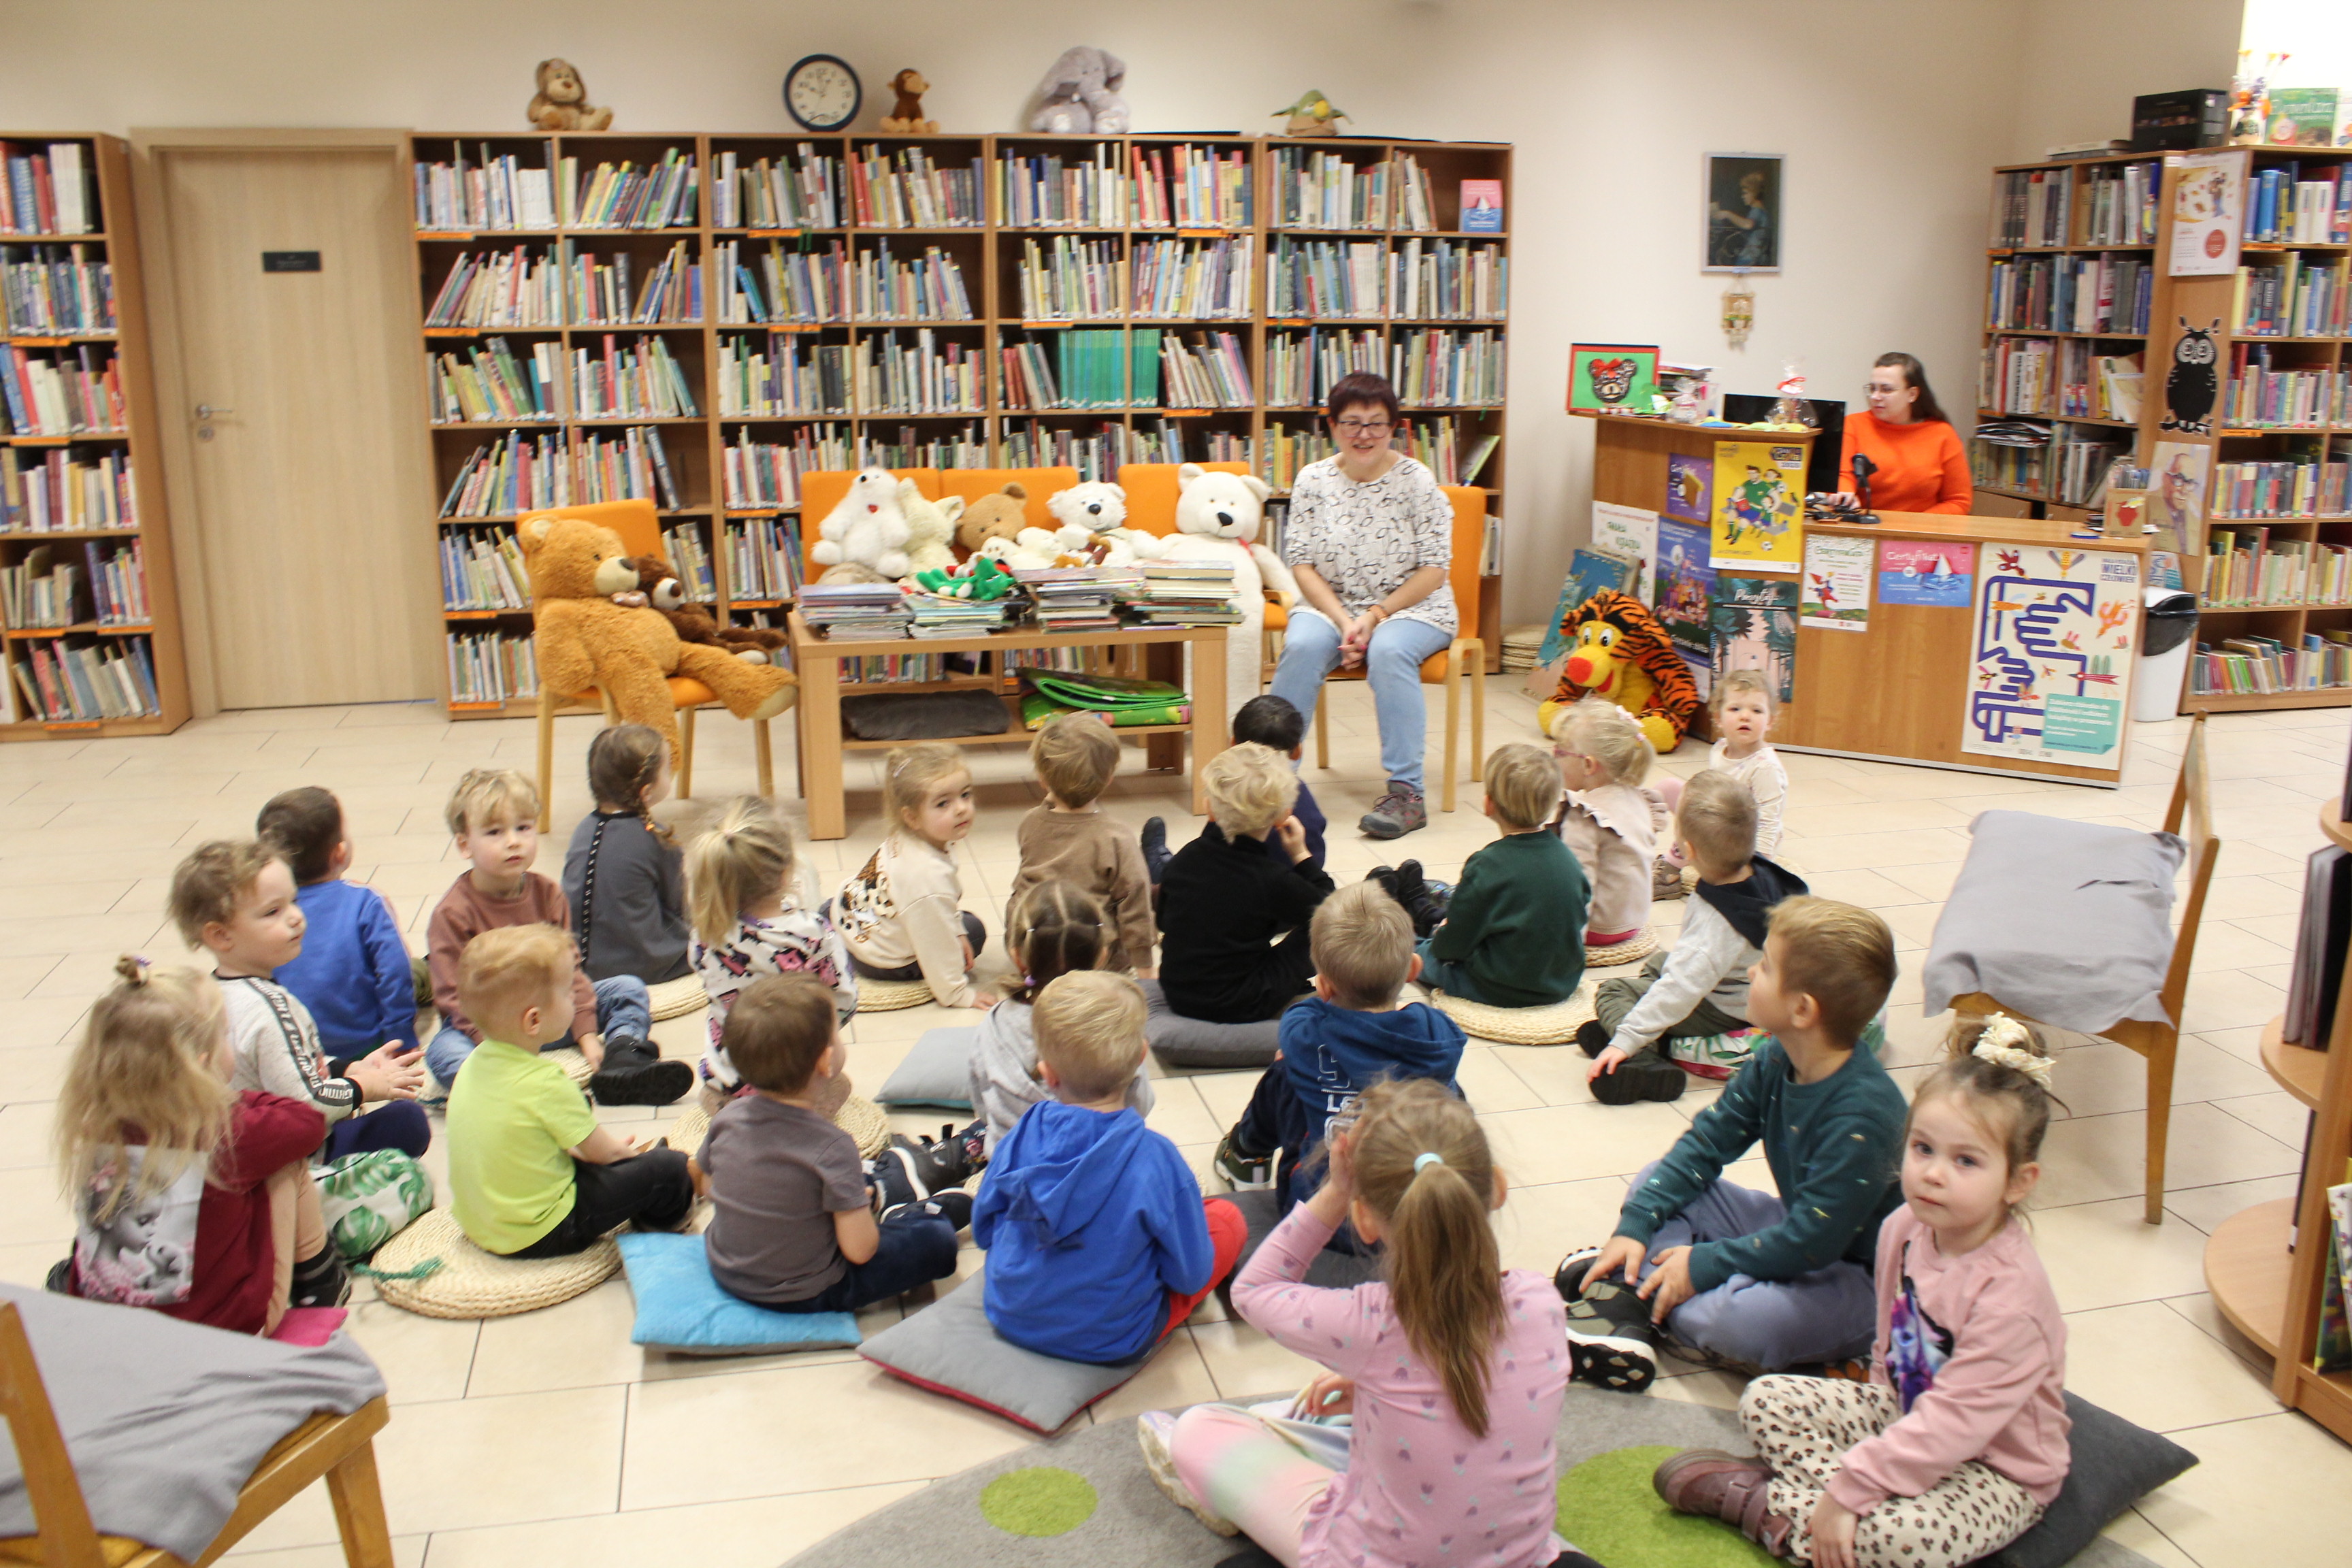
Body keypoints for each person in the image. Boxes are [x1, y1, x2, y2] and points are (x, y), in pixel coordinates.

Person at [1655, 1014, 2068, 1568]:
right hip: (1902, 1413)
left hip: (1994, 1468)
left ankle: (1771, 1504)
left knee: (1906, 1539)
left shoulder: (2010, 1300)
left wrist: (1855, 1488)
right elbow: (1889, 1339)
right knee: (1766, 1399)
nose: (1933, 1174)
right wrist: (1873, 1432)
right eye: (1922, 1149)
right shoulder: (1905, 1226)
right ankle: (1829, 1509)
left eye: (1966, 1161)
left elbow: (1954, 1425)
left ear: (2019, 1181)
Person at [1145, 1078, 1594, 1568]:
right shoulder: (1540, 1302)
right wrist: (1374, 1385)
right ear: (1498, 1188)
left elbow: (1255, 1290)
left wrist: (1336, 1190)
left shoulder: (1371, 1323)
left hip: (1365, 1557)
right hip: (1521, 1558)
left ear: (1363, 1219)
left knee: (1201, 1428)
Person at [1558, 897, 1906, 1391]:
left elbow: (1813, 1242)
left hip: (1865, 1279)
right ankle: (1643, 1274)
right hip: (1798, 1231)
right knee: (1654, 1180)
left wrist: (1706, 1265)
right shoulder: (1773, 1058)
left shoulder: (1864, 1113)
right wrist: (1638, 1224)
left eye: (1764, 966)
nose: (1751, 971)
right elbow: (1705, 1146)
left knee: (1747, 1324)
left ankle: (1634, 1291)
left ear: (1803, 1009)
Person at [56, 958, 345, 1335]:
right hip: (219, 1334)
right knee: (284, 1161)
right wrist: (224, 1098)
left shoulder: (93, 1123)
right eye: (226, 1034)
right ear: (202, 1065)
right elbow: (307, 1122)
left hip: (104, 1331)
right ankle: (319, 1281)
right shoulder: (225, 1131)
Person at [973, 971, 1243, 1364]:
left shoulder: (1021, 1132)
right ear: (1140, 1057)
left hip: (1009, 1313)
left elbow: (984, 1231)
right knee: (1227, 1220)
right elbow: (1189, 1277)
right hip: (1113, 1338)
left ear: (1048, 1073)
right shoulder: (1157, 1158)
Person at [697, 974, 968, 1311]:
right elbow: (860, 1250)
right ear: (825, 1062)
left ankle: (878, 1187)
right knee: (936, 1242)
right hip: (808, 1290)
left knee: (844, 1186)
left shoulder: (728, 1117)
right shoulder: (831, 1145)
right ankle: (914, 1209)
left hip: (727, 1269)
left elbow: (709, 1185)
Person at [1268, 371, 1459, 841]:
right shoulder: (1313, 480)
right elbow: (1302, 563)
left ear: (1394, 427)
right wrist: (1344, 621)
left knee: (1390, 651)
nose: (1364, 434)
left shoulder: (1417, 480)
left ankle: (1406, 794)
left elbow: (1435, 568)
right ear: (1332, 426)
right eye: (1352, 423)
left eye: (1376, 423)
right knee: (1302, 645)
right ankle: (1272, 782)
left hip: (1413, 608)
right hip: (1333, 606)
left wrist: (1374, 618)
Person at [423, 768, 687, 1105]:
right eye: (494, 832)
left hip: (549, 1016)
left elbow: (571, 973)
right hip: (490, 1031)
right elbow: (453, 999)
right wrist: (498, 1050)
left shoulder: (548, 894)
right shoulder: (452, 913)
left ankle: (623, 1060)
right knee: (442, 1051)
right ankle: (501, 1089)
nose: (513, 841)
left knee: (628, 988)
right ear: (464, 844)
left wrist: (587, 1035)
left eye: (523, 827)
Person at [1211, 881, 1466, 1213]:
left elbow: (1299, 1017)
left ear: (1324, 985)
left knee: (1285, 1071)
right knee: (1446, 1085)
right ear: (1413, 970)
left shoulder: (1305, 1030)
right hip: (1413, 1209)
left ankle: (1247, 1153)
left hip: (1321, 1210)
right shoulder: (1437, 1032)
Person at [444, 924, 695, 1258]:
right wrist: (635, 1164)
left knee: (608, 1165)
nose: (577, 997)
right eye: (567, 993)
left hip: (483, 1223)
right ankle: (667, 1209)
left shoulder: (474, 1063)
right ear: (533, 1021)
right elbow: (605, 1155)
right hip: (544, 1231)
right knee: (667, 1168)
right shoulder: (544, 1081)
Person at [171, 840, 429, 1161]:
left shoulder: (213, 991)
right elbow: (307, 1105)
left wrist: (347, 1067)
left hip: (243, 1147)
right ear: (221, 935)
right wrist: (364, 1085)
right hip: (295, 1162)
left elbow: (287, 1065)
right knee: (408, 1121)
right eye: (272, 912)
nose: (295, 917)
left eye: (293, 901)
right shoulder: (270, 1007)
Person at [1577, 771, 1808, 1105]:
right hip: (1745, 979)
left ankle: (1643, 1062)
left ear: (1686, 849)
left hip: (1728, 1005)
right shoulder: (1760, 869)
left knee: (1614, 991)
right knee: (1659, 963)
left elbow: (1682, 987)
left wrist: (1626, 1040)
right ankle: (1638, 1029)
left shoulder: (1717, 918)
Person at [685, 795, 857, 1108]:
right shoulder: (811, 933)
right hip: (795, 1079)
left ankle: (733, 1110)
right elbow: (843, 1000)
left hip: (730, 1079)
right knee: (840, 1084)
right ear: (786, 873)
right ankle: (794, 1119)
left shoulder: (705, 934)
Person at [968, 881, 1154, 1152]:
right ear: (1102, 955)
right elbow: (1141, 1105)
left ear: (1018, 956)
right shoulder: (1116, 1019)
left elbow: (982, 1101)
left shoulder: (996, 1025)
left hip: (1015, 1166)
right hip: (1109, 1160)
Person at [1158, 742, 1336, 1024]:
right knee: (1321, 928)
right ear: (1283, 816)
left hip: (1177, 993)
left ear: (1211, 810)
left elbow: (1163, 923)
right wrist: (1301, 855)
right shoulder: (1271, 878)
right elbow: (1330, 910)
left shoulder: (1185, 858)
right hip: (1243, 1004)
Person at [1416, 744, 1589, 1007]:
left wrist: (1440, 940)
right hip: (1561, 982)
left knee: (1420, 951)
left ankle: (1417, 923)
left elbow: (1452, 947)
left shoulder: (1486, 865)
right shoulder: (1569, 860)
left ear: (1489, 804)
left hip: (1495, 986)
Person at [257, 786, 421, 1062]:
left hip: (296, 1051)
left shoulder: (263, 914)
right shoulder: (366, 901)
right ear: (339, 852)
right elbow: (395, 972)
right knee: (416, 968)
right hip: (366, 1046)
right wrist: (400, 1035)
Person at [834, 742, 995, 1010]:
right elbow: (935, 944)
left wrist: (954, 926)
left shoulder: (908, 838)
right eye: (943, 803)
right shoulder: (926, 877)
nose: (961, 809)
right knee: (974, 929)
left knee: (953, 920)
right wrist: (958, 994)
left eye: (965, 795)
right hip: (882, 961)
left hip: (851, 924)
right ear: (911, 817)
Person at [1005, 714, 1154, 975]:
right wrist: (1145, 967)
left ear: (1042, 778)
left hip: (1035, 951)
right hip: (1094, 958)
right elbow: (1136, 905)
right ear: (1108, 778)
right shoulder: (1116, 837)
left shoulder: (1030, 823)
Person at [562, 723, 691, 985]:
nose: (671, 775)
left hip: (580, 962)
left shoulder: (582, 830)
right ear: (646, 792)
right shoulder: (657, 837)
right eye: (667, 770)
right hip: (646, 964)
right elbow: (679, 905)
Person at [1548, 699, 1665, 953]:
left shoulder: (1585, 814)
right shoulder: (1636, 797)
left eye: (1561, 752)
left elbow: (1578, 884)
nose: (1554, 757)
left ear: (1588, 765)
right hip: (1633, 920)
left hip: (1599, 928)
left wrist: (1567, 949)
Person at [1833, 353, 1972, 516]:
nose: (1876, 397)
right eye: (1872, 389)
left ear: (1912, 394)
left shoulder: (1943, 434)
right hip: (1863, 528)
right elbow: (1842, 475)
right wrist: (1844, 494)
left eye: (1886, 389)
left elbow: (1959, 501)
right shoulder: (1853, 424)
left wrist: (1913, 528)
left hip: (1922, 533)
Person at [1709, 669, 1790, 859]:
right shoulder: (1718, 749)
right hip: (1721, 823)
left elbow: (1768, 823)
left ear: (1770, 721)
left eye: (1757, 710)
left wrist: (1760, 868)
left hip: (1748, 839)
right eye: (1735, 709)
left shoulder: (1765, 767)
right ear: (1718, 719)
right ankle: (1674, 862)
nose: (1745, 716)